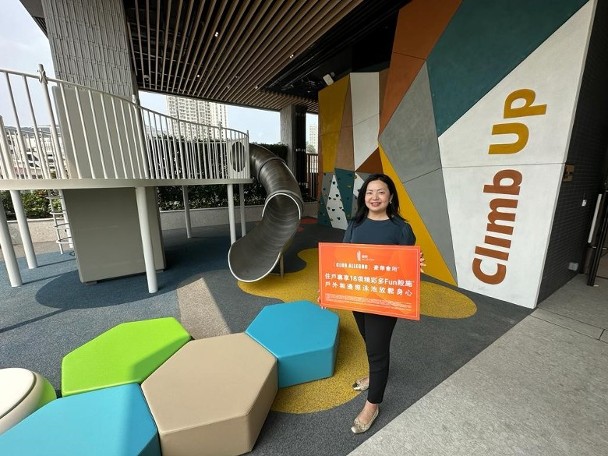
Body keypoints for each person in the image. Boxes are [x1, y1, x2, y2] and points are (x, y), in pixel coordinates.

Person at [342, 173, 422, 434]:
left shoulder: (401, 228)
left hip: (385, 300)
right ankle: (374, 375)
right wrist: (328, 290)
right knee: (370, 341)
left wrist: (416, 266)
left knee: (377, 349)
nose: (374, 197)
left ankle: (372, 404)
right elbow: (341, 259)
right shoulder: (355, 224)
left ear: (390, 197)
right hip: (358, 296)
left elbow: (407, 267)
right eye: (369, 192)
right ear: (363, 197)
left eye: (380, 192)